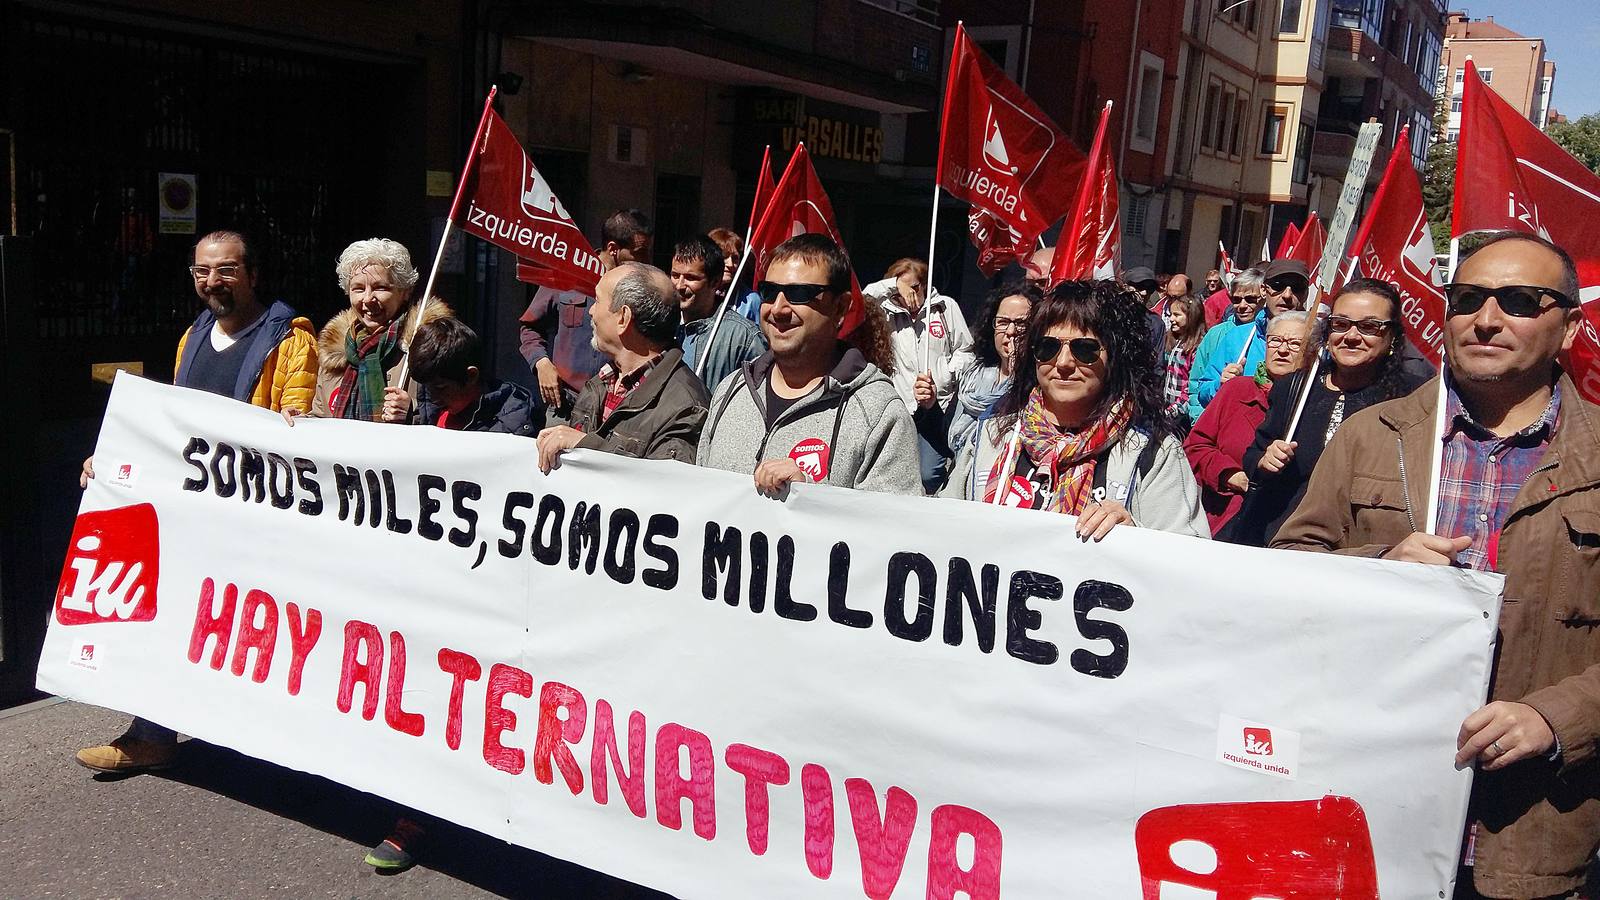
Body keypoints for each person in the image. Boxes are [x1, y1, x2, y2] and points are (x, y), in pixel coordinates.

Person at [1272, 233, 1600, 899]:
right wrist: (1382, 564)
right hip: (1371, 814)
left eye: (1518, 301)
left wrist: (1558, 718)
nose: (1486, 319)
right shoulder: (1373, 434)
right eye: (1468, 299)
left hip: (1531, 833)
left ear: (1567, 326)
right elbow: (1289, 571)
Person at [74, 229, 318, 774]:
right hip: (194, 510)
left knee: (243, 626)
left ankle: (262, 735)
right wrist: (112, 458)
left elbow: (297, 431)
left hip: (253, 515)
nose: (213, 282)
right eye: (203, 272)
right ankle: (152, 733)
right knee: (170, 613)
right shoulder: (195, 334)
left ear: (252, 274)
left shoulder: (290, 340)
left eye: (227, 270)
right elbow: (173, 422)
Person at [944, 280, 1208, 540]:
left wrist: (1136, 535)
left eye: (1084, 349)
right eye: (1048, 347)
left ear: (1115, 357)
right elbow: (941, 526)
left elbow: (1190, 561)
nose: (1063, 363)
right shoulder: (990, 437)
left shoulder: (1155, 454)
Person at [696, 233, 920, 496]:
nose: (778, 309)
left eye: (799, 294)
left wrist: (810, 498)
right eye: (769, 292)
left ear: (840, 308)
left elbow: (893, 528)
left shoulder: (880, 413)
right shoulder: (730, 392)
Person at [1229, 279, 1425, 546]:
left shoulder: (1410, 401)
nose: (1351, 336)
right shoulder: (1295, 387)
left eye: (1369, 327)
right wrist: (1265, 461)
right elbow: (1254, 456)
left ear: (1392, 336)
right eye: (1341, 324)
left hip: (1359, 556)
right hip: (1282, 545)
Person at [537, 262, 710, 471]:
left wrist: (586, 448)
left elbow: (664, 486)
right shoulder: (600, 383)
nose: (591, 311)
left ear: (623, 318)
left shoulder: (685, 406)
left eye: (598, 300)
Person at [287, 238, 448, 422]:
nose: (368, 299)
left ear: (405, 292)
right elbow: (321, 421)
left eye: (380, 287)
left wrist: (413, 412)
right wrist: (300, 422)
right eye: (358, 289)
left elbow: (452, 417)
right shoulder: (334, 357)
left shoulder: (427, 348)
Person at [1181, 311, 1311, 536]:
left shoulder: (1315, 402)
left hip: (1286, 532)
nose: (1282, 350)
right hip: (1225, 523)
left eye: (1294, 344)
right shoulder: (1236, 390)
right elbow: (1194, 447)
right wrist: (1230, 476)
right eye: (1275, 341)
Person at [519, 209, 651, 422]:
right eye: (639, 252)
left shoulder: (640, 286)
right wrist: (541, 363)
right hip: (566, 407)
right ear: (613, 249)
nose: (646, 260)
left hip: (616, 412)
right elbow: (530, 327)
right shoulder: (567, 274)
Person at [866, 257, 974, 491]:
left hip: (937, 407)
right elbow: (862, 299)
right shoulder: (884, 313)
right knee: (893, 473)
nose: (910, 295)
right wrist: (894, 285)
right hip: (898, 408)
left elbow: (966, 350)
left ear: (924, 284)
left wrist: (945, 375)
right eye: (903, 289)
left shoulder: (945, 307)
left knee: (928, 474)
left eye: (915, 287)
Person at [1187, 260, 1304, 420]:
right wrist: (1220, 385)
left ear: (1306, 294)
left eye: (1297, 288)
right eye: (1278, 285)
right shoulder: (1236, 337)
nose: (1287, 295)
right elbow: (1201, 391)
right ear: (1264, 290)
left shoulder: (1317, 345)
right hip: (1238, 437)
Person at [383, 317, 538, 435]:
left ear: (471, 376)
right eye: (427, 387)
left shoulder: (512, 422)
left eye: (440, 387)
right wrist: (411, 416)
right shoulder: (432, 411)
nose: (434, 398)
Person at [949, 283, 1039, 457]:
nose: (1011, 332)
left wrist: (1017, 377)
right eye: (1003, 323)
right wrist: (929, 408)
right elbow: (943, 440)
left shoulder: (1038, 385)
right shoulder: (973, 375)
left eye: (1021, 324)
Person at [673, 234, 765, 392]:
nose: (680, 285)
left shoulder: (743, 337)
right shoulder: (662, 324)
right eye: (675, 275)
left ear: (715, 282)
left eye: (690, 278)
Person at [1161, 292, 1207, 430]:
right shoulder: (1175, 341)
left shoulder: (1197, 347)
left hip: (1182, 414)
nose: (1171, 319)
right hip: (1168, 408)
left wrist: (1173, 410)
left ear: (1191, 317)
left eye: (1177, 315)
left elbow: (1192, 386)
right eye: (1170, 314)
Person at [1120, 265, 1171, 354]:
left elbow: (1158, 363)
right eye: (1140, 286)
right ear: (1125, 287)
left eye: (1150, 289)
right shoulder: (1111, 317)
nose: (1144, 293)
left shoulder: (1156, 323)